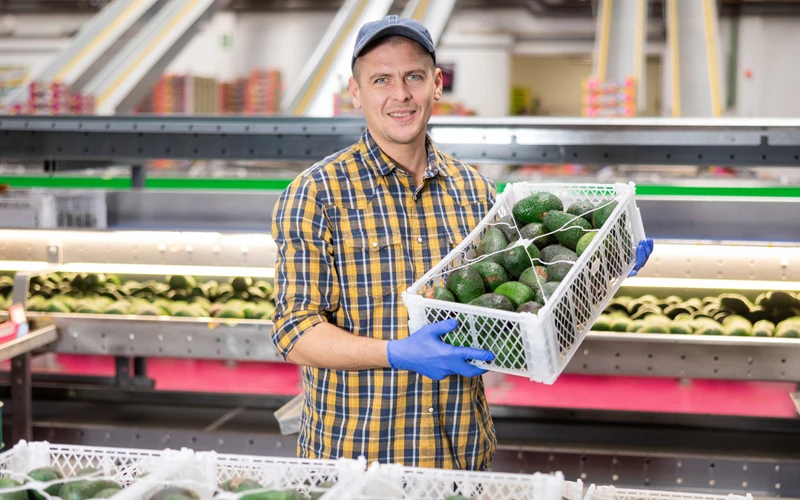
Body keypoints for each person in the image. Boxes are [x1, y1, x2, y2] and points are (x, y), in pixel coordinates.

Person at [271, 15, 654, 470]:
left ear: (436, 85)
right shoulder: (316, 193)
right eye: (381, 80)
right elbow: (293, 331)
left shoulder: (474, 191)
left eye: (414, 76)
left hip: (461, 458)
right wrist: (396, 354)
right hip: (356, 462)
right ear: (355, 92)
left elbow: (522, 299)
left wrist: (596, 268)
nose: (400, 95)